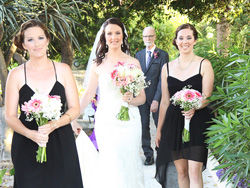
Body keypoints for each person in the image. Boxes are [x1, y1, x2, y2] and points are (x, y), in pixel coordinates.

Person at [5, 19, 83, 188]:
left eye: (40, 38)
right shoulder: (16, 74)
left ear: (47, 40)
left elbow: (75, 108)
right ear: (24, 45)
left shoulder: (63, 70)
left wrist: (55, 124)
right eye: (30, 40)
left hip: (61, 142)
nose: (36, 44)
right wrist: (31, 134)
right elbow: (10, 117)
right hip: (27, 143)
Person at [72, 17, 145, 188]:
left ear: (123, 36)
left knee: (130, 161)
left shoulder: (133, 63)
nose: (114, 37)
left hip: (130, 121)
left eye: (117, 33)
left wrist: (131, 99)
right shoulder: (98, 64)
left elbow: (142, 98)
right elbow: (88, 94)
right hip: (106, 122)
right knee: (112, 163)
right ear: (104, 37)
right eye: (109, 33)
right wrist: (73, 117)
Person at [155, 23, 214, 188]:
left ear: (195, 40)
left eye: (189, 37)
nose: (185, 41)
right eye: (181, 38)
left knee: (194, 173)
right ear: (176, 41)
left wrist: (194, 107)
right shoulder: (167, 68)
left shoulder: (204, 64)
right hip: (174, 124)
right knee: (181, 172)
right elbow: (165, 102)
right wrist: (160, 129)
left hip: (197, 122)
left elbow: (207, 97)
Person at [135, 26, 169, 165]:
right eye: (145, 36)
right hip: (142, 97)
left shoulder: (163, 55)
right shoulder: (138, 55)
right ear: (142, 38)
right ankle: (148, 155)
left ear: (155, 37)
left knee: (160, 125)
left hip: (157, 96)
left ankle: (162, 152)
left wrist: (156, 99)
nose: (148, 39)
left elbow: (163, 78)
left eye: (150, 36)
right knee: (143, 126)